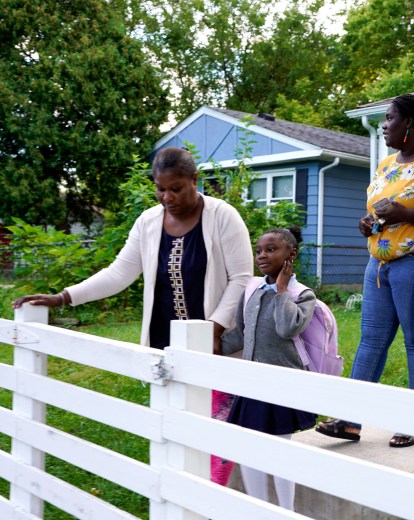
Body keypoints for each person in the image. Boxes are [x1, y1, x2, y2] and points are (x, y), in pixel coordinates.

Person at [12, 146, 254, 483]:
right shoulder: (149, 222)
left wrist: (215, 327)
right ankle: (178, 492)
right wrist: (63, 297)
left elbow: (241, 277)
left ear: (194, 181)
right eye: (160, 188)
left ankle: (208, 499)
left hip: (217, 345)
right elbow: (118, 274)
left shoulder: (223, 216)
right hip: (163, 346)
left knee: (214, 432)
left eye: (176, 188)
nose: (167, 197)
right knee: (173, 428)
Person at [316, 93, 414, 448]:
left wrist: (404, 214)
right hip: (380, 265)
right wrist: (369, 223)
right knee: (371, 342)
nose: (384, 125)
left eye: (389, 118)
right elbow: (385, 211)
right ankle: (350, 421)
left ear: (409, 124)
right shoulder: (387, 165)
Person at [220, 227, 317, 511]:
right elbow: (240, 333)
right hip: (251, 382)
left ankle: (285, 511)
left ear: (291, 254)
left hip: (282, 384)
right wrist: (208, 347)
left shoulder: (302, 294)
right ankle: (258, 509)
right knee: (249, 449)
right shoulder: (252, 288)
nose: (263, 255)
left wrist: (282, 290)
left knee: (279, 452)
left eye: (272, 249)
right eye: (260, 250)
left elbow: (288, 328)